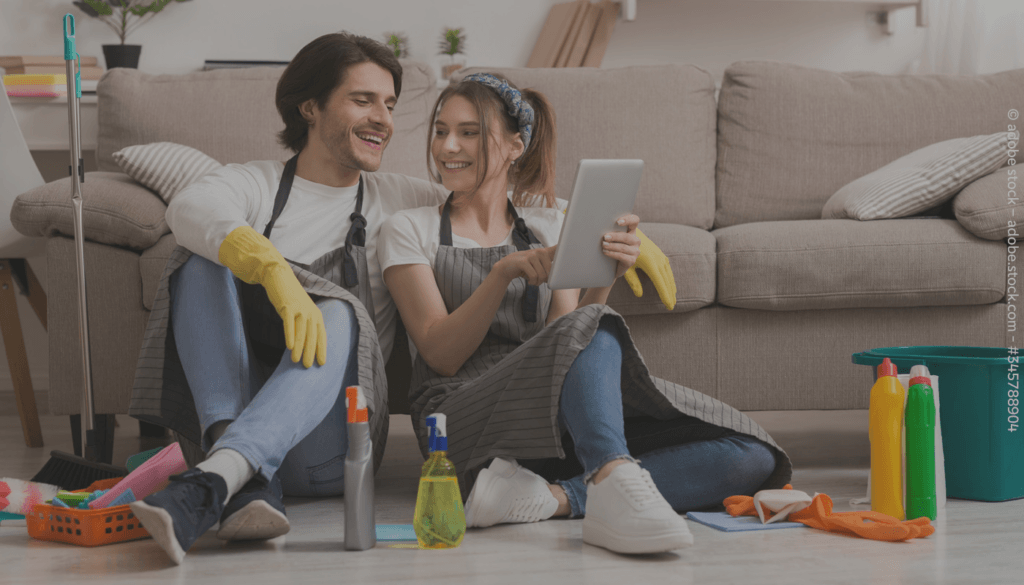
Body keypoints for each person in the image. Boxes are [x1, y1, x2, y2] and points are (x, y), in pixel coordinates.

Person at [379, 73, 794, 555]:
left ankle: (561, 495)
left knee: (752, 456)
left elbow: (568, 340)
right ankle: (611, 483)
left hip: (547, 425)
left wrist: (607, 273)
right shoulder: (409, 228)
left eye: (468, 132)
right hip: (459, 423)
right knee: (586, 328)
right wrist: (502, 275)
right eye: (440, 130)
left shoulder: (548, 225)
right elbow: (439, 353)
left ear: (516, 146)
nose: (448, 146)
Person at [125, 32, 452, 565]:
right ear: (310, 107)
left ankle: (214, 479)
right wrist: (271, 267)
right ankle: (240, 482)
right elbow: (189, 207)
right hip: (233, 419)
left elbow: (508, 212)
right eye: (363, 100)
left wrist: (616, 230)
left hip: (332, 447)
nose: (383, 119)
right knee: (199, 256)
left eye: (390, 104)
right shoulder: (253, 185)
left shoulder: (405, 198)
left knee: (342, 311)